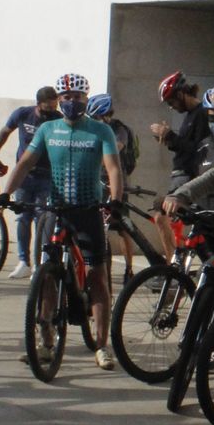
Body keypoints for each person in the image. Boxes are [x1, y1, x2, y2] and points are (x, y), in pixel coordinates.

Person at [0, 91, 124, 369]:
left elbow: (113, 168)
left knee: (96, 274)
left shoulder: (101, 130)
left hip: (88, 210)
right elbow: (25, 163)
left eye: (77, 96)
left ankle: (102, 345)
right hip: (56, 209)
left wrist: (115, 201)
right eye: (66, 95)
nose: (71, 101)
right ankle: (45, 341)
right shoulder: (48, 130)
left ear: (86, 99)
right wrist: (6, 194)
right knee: (46, 273)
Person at [0, 86, 60, 278]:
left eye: (54, 108)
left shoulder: (58, 119)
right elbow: (5, 132)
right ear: (38, 104)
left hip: (47, 176)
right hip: (24, 175)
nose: (50, 113)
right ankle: (23, 261)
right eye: (47, 109)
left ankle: (40, 262)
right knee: (22, 218)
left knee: (42, 219)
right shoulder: (23, 114)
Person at [150, 71, 213, 259]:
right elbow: (185, 146)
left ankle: (172, 265)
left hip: (188, 176)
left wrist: (170, 136)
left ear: (180, 94)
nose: (172, 107)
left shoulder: (201, 114)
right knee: (167, 216)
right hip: (181, 175)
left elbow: (198, 150)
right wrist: (169, 139)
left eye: (171, 102)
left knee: (161, 214)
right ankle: (180, 262)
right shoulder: (190, 115)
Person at [89, 94, 140, 284]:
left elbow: (115, 149)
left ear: (106, 114)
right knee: (99, 227)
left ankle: (129, 269)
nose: (95, 121)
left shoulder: (120, 130)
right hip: (96, 181)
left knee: (122, 226)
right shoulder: (94, 128)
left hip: (116, 182)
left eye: (98, 117)